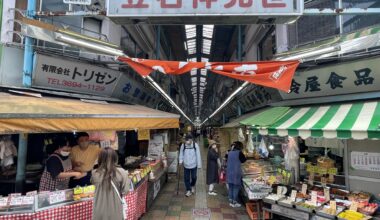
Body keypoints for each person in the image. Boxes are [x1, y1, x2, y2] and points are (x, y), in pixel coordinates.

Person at [91, 147, 130, 220]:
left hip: (98, 209)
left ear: (100, 158)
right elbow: (125, 191)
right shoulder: (122, 172)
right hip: (115, 209)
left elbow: (94, 184)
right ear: (115, 158)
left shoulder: (94, 173)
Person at [227, 141, 247, 208]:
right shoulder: (239, 153)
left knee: (230, 187)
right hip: (236, 172)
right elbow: (244, 160)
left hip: (229, 172)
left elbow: (226, 159)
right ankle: (234, 202)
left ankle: (231, 201)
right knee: (236, 187)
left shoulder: (229, 152)